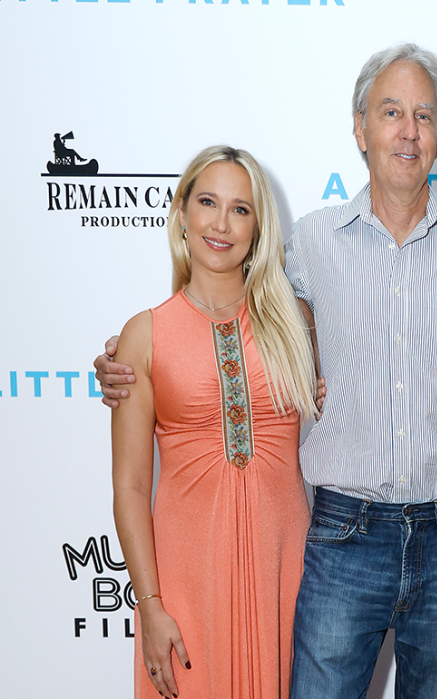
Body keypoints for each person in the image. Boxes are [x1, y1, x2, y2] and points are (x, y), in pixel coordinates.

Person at [98, 44, 437, 699]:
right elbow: (207, 319)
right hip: (342, 535)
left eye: (423, 116)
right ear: (358, 127)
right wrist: (118, 363)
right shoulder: (311, 243)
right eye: (390, 112)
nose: (407, 130)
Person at [110, 145, 318, 699]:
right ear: (182, 213)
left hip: (286, 574)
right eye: (207, 202)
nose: (221, 224)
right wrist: (149, 605)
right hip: (186, 583)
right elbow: (130, 487)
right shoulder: (143, 334)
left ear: (258, 227)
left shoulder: (297, 324)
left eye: (240, 209)